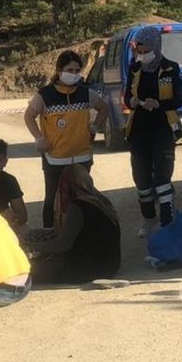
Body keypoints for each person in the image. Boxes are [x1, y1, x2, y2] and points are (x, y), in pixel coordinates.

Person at [24, 50, 108, 228]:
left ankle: (81, 234)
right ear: (59, 70)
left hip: (82, 158)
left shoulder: (85, 93)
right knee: (52, 199)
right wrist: (39, 137)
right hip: (54, 159)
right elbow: (29, 116)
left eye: (77, 71)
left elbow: (104, 108)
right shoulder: (45, 95)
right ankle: (50, 232)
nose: (74, 74)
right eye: (70, 70)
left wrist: (94, 127)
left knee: (84, 199)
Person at [124, 26, 182, 236]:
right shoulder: (134, 68)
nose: (142, 55)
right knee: (141, 177)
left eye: (145, 50)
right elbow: (127, 96)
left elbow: (179, 99)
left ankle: (167, 221)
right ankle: (148, 218)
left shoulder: (170, 68)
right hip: (139, 130)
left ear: (155, 47)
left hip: (163, 128)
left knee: (162, 176)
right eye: (139, 51)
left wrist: (159, 103)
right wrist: (131, 101)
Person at [27, 165, 121, 284]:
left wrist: (33, 246)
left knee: (23, 270)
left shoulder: (78, 206)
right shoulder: (101, 200)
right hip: (111, 264)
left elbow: (62, 245)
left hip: (89, 268)